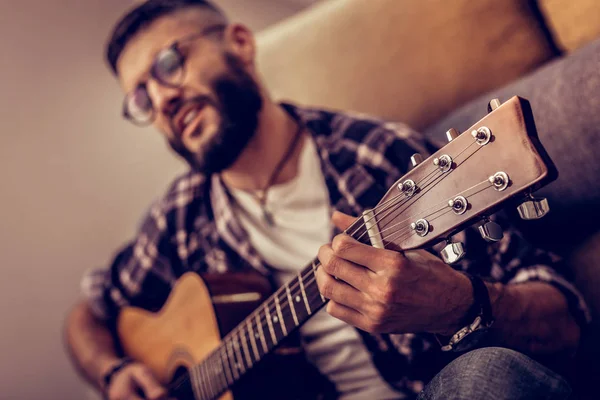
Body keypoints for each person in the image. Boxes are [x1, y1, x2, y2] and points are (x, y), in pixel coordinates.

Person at [64, 1, 590, 399]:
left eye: (169, 63)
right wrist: (113, 373)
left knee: (487, 376)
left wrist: (457, 304)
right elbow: (85, 317)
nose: (161, 99)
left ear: (241, 44)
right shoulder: (179, 218)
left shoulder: (379, 154)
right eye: (140, 98)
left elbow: (566, 318)